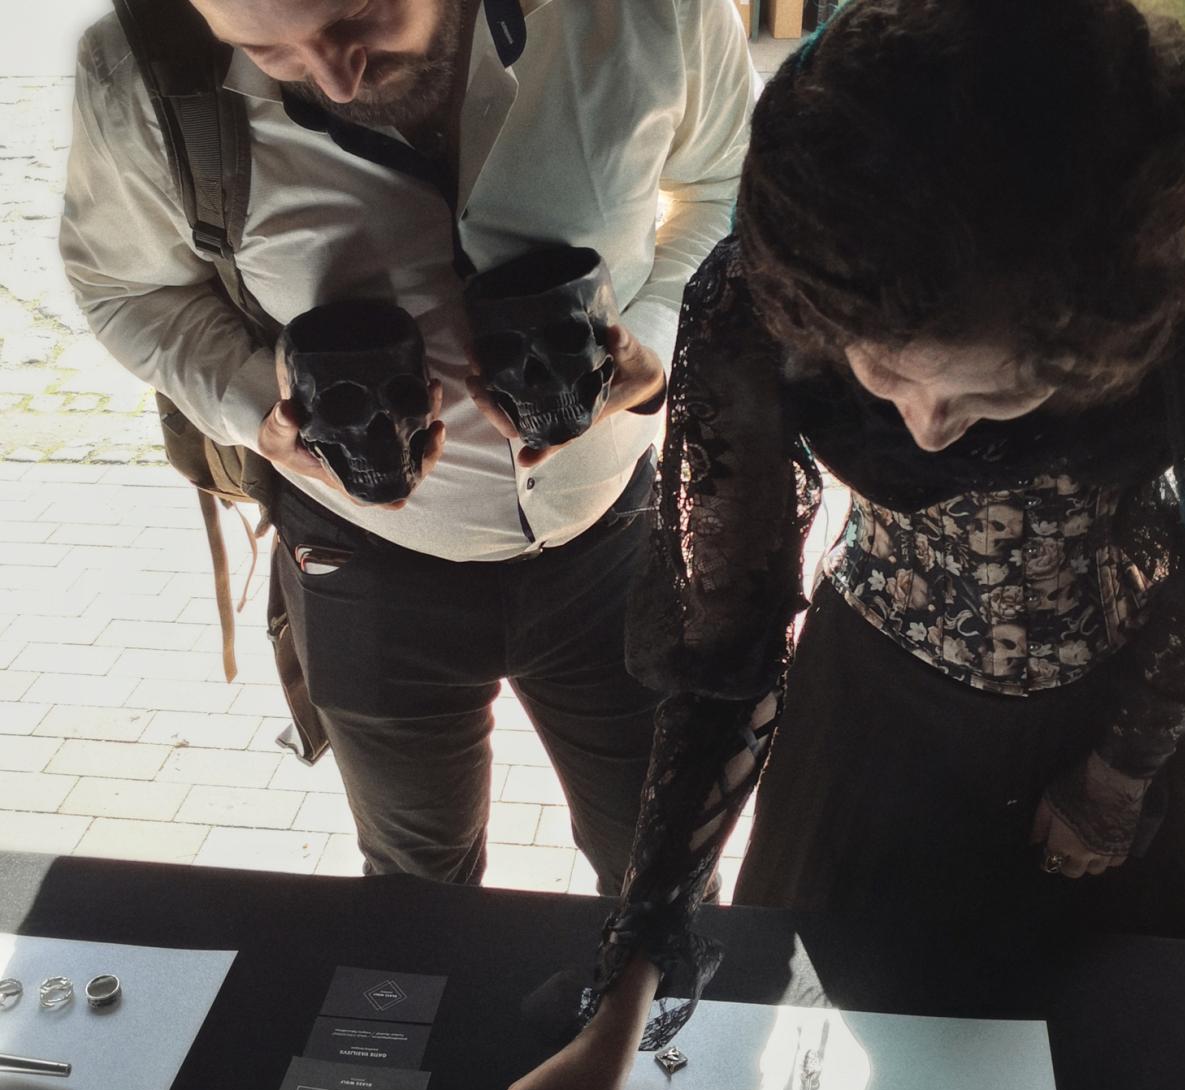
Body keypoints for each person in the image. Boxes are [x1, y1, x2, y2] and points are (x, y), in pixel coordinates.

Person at [488, 0, 1185, 1090]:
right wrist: (623, 992)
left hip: (1139, 708)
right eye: (881, 374)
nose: (922, 430)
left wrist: (1120, 769)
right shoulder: (770, 288)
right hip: (880, 720)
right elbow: (727, 646)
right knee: (890, 1069)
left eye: (994, 393)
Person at [59, 0, 757, 890]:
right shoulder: (142, 72)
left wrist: (657, 338)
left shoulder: (648, 13)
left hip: (616, 540)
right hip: (362, 564)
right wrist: (253, 405)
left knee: (661, 868)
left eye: (359, 14)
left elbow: (731, 186)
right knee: (413, 886)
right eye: (264, 49)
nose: (333, 77)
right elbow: (126, 287)